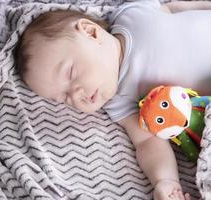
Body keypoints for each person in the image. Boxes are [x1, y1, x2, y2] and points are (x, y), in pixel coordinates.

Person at [14, 0, 211, 199]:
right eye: (64, 98)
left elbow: (172, 7)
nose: (75, 95)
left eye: (71, 74)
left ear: (91, 32)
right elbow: (147, 142)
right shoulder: (120, 101)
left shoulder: (129, 16)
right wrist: (165, 180)